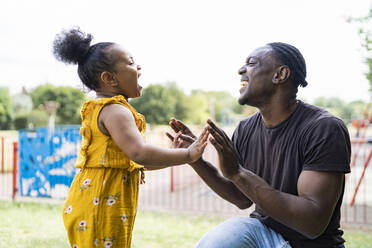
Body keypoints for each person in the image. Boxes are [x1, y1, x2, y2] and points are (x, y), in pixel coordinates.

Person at [167, 42, 351, 248]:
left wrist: (237, 172)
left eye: (252, 63)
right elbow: (241, 197)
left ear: (280, 75)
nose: (240, 70)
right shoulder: (246, 128)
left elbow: (312, 223)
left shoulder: (323, 128)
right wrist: (196, 160)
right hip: (262, 233)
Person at [52, 27, 209, 248]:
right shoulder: (116, 110)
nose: (138, 67)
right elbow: (140, 153)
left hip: (97, 202)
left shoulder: (105, 109)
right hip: (100, 205)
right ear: (109, 78)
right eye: (131, 62)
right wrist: (187, 154)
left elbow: (133, 161)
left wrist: (173, 154)